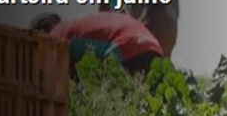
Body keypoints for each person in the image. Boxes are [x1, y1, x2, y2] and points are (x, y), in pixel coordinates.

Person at [30, 11, 164, 78]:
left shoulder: (57, 35)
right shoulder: (78, 26)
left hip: (126, 49)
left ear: (41, 33)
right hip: (153, 47)